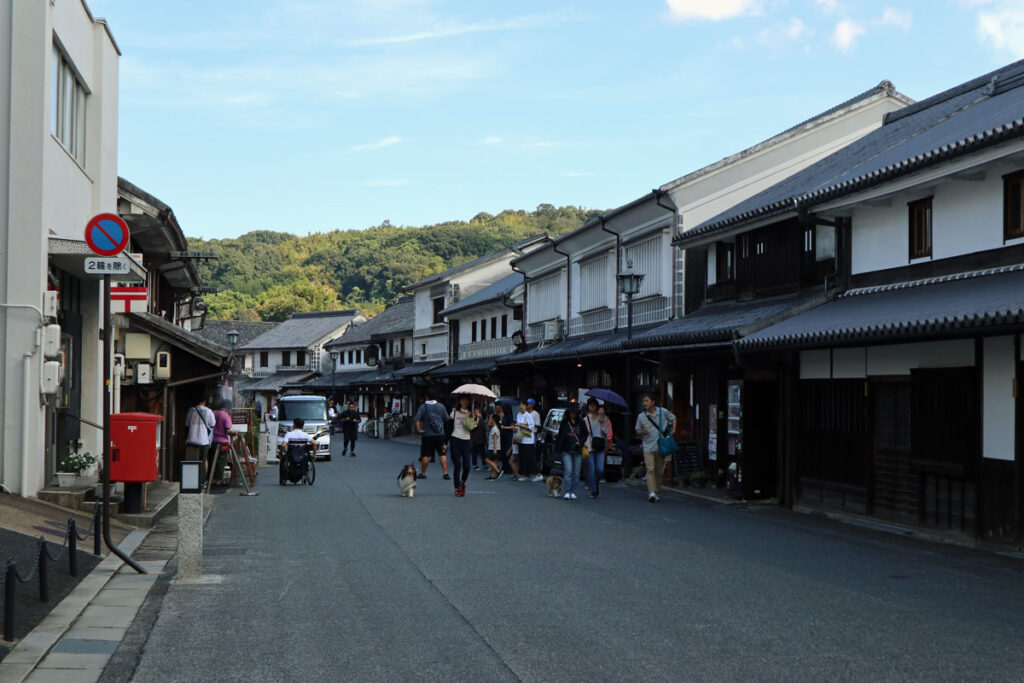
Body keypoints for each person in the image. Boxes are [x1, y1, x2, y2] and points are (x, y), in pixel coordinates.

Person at [635, 392, 675, 503]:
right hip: (647, 446)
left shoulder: (662, 412)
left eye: (646, 401)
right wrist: (643, 431)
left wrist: (674, 430)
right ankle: (651, 493)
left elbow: (673, 418)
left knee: (658, 471)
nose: (644, 403)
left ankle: (655, 491)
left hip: (660, 446)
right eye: (643, 401)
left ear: (653, 402)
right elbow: (637, 431)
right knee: (650, 469)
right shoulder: (641, 416)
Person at [413, 389, 449, 480]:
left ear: (427, 397)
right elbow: (446, 418)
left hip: (427, 435)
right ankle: (445, 473)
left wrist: (419, 429)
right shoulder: (441, 406)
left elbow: (417, 419)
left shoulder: (423, 407)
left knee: (425, 455)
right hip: (440, 434)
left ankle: (423, 473)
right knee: (442, 454)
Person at [555, 404, 588, 500]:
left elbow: (586, 434)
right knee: (568, 471)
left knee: (576, 473)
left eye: (574, 412)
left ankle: (573, 491)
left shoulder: (581, 422)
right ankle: (567, 491)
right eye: (571, 412)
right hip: (566, 450)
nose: (572, 414)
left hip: (577, 450)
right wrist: (558, 449)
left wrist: (580, 442)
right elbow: (560, 436)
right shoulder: (565, 423)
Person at [208, 400, 238, 490]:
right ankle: (218, 480)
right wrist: (235, 433)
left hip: (213, 441)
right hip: (223, 443)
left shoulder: (213, 413)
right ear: (228, 408)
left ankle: (211, 479)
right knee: (221, 461)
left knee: (212, 460)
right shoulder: (225, 416)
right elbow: (228, 430)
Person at [583, 398, 609, 498]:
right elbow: (584, 433)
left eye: (594, 404)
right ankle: (593, 489)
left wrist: (602, 421)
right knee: (592, 468)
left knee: (600, 469)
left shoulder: (604, 418)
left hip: (600, 446)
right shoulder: (586, 419)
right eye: (590, 405)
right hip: (589, 446)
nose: (592, 406)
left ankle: (596, 484)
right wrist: (585, 444)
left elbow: (606, 431)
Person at [448, 395, 473, 496]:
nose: (465, 402)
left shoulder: (471, 413)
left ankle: (462, 482)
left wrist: (476, 417)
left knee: (467, 466)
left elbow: (473, 428)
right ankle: (457, 487)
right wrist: (445, 443)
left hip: (466, 440)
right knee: (458, 464)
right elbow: (449, 428)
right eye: (463, 400)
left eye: (467, 400)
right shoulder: (454, 412)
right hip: (455, 439)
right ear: (459, 401)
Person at [184, 397, 215, 473]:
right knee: (203, 461)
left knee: (191, 461)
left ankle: (192, 478)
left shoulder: (191, 410)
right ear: (205, 401)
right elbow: (212, 425)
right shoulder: (209, 411)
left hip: (192, 440)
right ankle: (202, 478)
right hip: (204, 441)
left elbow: (187, 424)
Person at [515, 399, 540, 482]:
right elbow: (517, 426)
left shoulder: (528, 415)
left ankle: (536, 474)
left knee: (530, 457)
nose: (520, 406)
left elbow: (531, 427)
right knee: (522, 457)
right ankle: (525, 474)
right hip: (521, 438)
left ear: (526, 406)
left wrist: (521, 425)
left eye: (522, 405)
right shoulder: (518, 414)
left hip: (528, 440)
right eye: (520, 405)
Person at [484, 413, 503, 480]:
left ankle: (498, 471)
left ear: (494, 420)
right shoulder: (495, 428)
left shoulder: (495, 429)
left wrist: (494, 449)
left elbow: (495, 439)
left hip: (493, 448)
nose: (490, 420)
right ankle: (493, 475)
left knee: (486, 459)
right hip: (496, 447)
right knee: (494, 462)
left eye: (491, 418)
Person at [469, 405, 487, 470]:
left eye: (477, 410)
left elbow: (484, 427)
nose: (476, 411)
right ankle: (475, 465)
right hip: (474, 438)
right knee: (475, 452)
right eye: (475, 410)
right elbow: (473, 426)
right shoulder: (471, 418)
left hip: (481, 437)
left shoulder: (481, 417)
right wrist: (478, 418)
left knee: (483, 452)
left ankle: (484, 464)